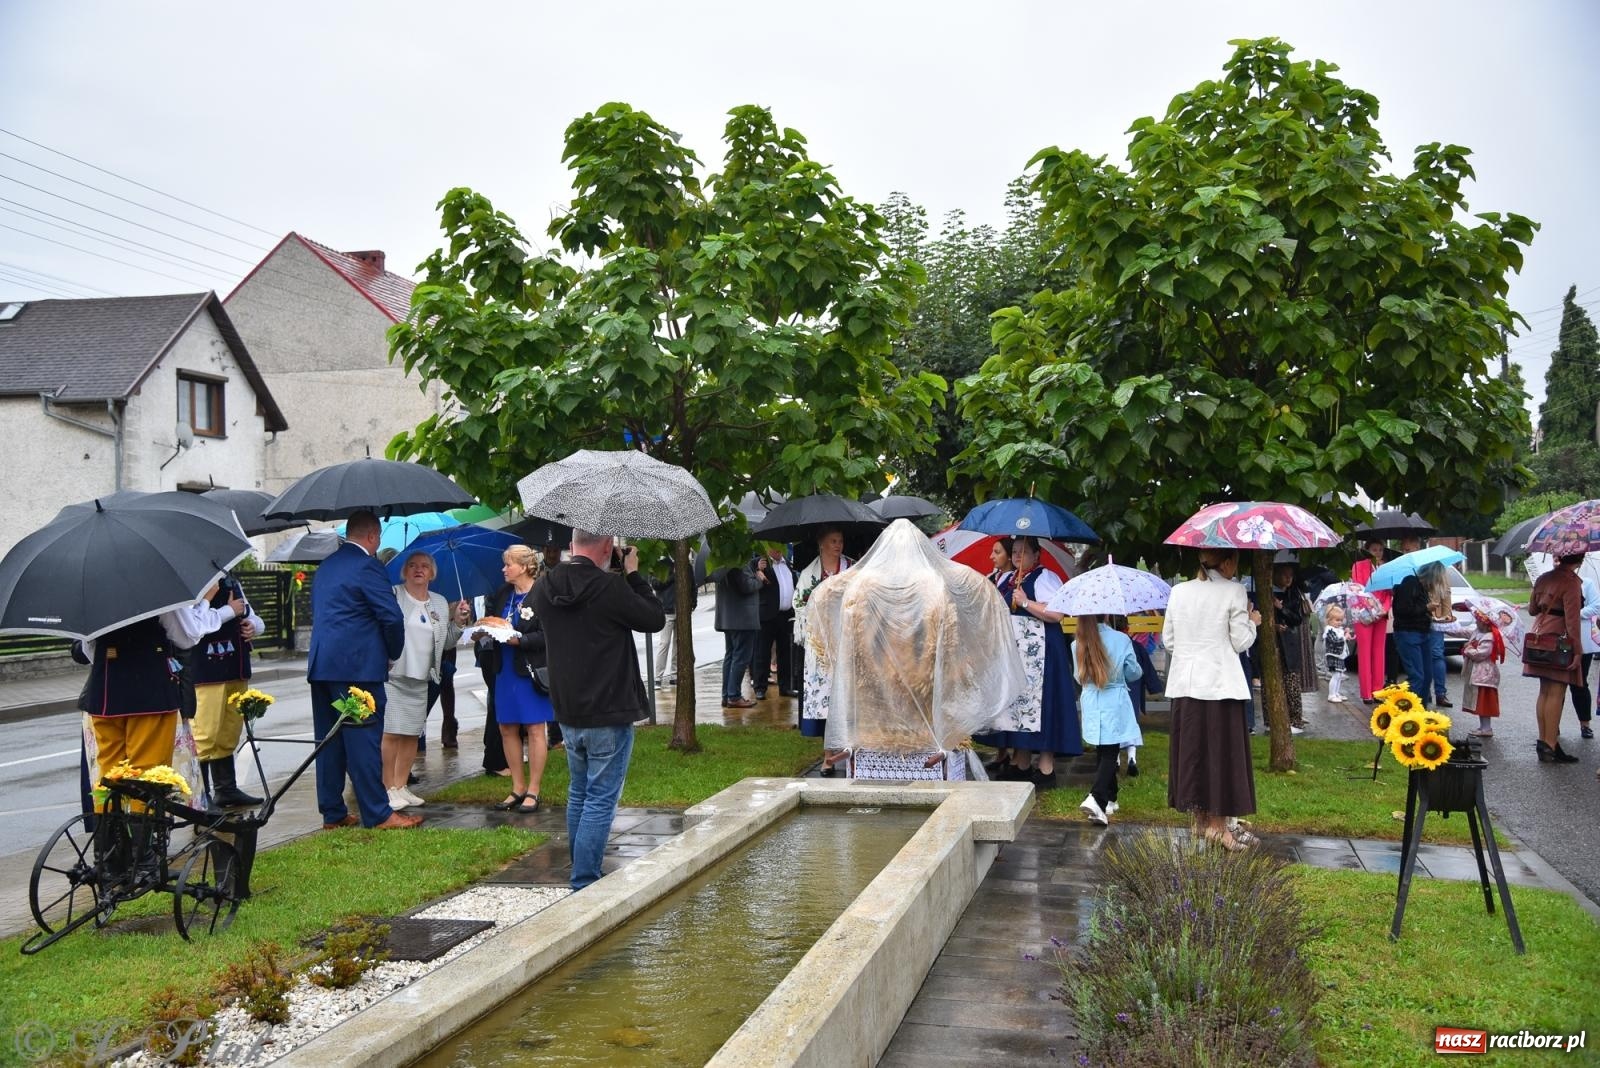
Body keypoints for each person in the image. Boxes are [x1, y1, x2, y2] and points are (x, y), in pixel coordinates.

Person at [531, 529, 666, 890]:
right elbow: (654, 618)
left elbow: (530, 619)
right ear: (608, 547)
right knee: (601, 799)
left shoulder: (546, 584)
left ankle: (582, 869)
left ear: (573, 545)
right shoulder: (610, 588)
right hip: (609, 707)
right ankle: (585, 880)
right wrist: (633, 573)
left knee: (580, 792)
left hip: (568, 707)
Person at [307, 510, 417, 830]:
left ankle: (333, 812)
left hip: (323, 666)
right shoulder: (369, 566)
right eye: (378, 538)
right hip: (357, 669)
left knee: (329, 740)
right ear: (372, 537)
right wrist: (392, 654)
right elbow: (391, 617)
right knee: (363, 739)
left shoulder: (326, 566)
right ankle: (379, 813)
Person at [1163, 547, 1262, 852]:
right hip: (1221, 686)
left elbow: (1169, 641)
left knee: (1193, 754)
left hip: (1186, 685)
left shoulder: (1178, 591)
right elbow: (1240, 641)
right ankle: (1219, 828)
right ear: (1229, 561)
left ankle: (1201, 822)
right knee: (1221, 755)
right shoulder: (1234, 591)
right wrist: (1252, 621)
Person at [384, 551, 468, 812]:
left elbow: (447, 642)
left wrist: (459, 622)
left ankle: (401, 785)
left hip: (423, 676)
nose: (418, 570)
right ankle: (387, 788)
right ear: (404, 571)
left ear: (432, 573)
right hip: (394, 674)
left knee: (411, 733)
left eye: (423, 566)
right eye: (412, 566)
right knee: (391, 733)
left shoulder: (440, 603)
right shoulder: (394, 595)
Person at [474, 545, 554, 813]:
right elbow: (494, 623)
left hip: (528, 669)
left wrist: (521, 640)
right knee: (506, 727)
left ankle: (534, 789)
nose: (503, 569)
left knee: (534, 729)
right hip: (504, 669)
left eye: (508, 564)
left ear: (524, 566)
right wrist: (480, 632)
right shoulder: (503, 594)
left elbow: (548, 636)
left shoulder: (542, 594)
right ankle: (517, 787)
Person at [189, 577, 266, 809]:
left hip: (236, 667)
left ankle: (226, 789)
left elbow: (250, 613)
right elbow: (193, 625)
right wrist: (229, 611)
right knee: (205, 734)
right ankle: (201, 797)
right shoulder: (193, 581)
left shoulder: (231, 580)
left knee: (229, 732)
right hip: (206, 669)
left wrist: (253, 625)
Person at [1074, 615, 1143, 826]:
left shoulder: (1077, 642)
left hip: (1091, 700)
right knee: (1111, 751)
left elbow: (1079, 677)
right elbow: (1134, 672)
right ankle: (1096, 798)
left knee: (1103, 749)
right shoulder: (1121, 640)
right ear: (1106, 615)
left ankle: (1110, 799)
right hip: (1114, 699)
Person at [793, 526, 853, 741]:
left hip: (845, 638)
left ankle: (847, 743)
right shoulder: (810, 573)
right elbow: (799, 603)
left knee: (846, 690)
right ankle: (828, 749)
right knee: (823, 691)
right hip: (819, 642)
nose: (838, 545)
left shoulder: (851, 567)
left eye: (840, 541)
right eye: (834, 541)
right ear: (822, 544)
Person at [1524, 553, 1585, 764]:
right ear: (1581, 558)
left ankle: (1544, 741)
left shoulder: (1543, 578)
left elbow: (1532, 609)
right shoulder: (1571, 582)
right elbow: (1572, 620)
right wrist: (1577, 650)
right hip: (1558, 640)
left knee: (1544, 691)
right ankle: (1550, 744)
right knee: (1556, 692)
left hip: (1539, 636)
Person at [712, 558, 762, 708]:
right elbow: (746, 585)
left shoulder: (722, 562)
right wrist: (758, 578)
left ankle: (727, 695)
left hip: (729, 619)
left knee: (730, 657)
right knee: (740, 658)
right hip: (742, 619)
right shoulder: (738, 560)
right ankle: (733, 696)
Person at [1451, 606, 1505, 737]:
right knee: (1478, 701)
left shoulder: (1490, 637)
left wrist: (1467, 649)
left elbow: (1480, 654)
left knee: (1483, 702)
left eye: (1478, 621)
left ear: (1485, 623)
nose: (1476, 622)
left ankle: (1486, 728)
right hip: (1478, 674)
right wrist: (1445, 628)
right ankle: (1483, 727)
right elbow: (1463, 632)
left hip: (1484, 675)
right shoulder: (1478, 632)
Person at [751, 547, 796, 699]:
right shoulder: (763, 563)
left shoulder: (788, 564)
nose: (778, 550)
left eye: (779, 547)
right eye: (774, 547)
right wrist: (757, 567)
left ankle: (786, 686)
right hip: (767, 615)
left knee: (785, 653)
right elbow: (751, 569)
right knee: (762, 652)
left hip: (786, 614)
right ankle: (760, 687)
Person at [1350, 539, 1391, 703]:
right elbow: (1357, 590)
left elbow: (1389, 593)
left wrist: (1384, 609)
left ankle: (1378, 690)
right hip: (1364, 614)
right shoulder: (1358, 566)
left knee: (1379, 652)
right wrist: (1371, 608)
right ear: (1367, 551)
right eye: (1374, 550)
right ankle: (1366, 692)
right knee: (1365, 653)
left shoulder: (1386, 568)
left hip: (1381, 614)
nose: (1378, 553)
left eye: (1380, 550)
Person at [1389, 568, 1436, 708]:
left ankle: (1420, 710)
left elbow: (1419, 609)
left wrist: (1431, 614)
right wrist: (1426, 608)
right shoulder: (1409, 583)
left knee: (1427, 675)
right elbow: (1403, 610)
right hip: (1408, 633)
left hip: (1423, 632)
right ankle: (1409, 712)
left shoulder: (1423, 586)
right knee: (1417, 676)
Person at [1422, 562, 1455, 708]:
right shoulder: (1417, 573)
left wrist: (1446, 615)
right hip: (1420, 620)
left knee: (1437, 654)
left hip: (1437, 621)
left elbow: (1446, 595)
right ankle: (1425, 692)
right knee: (1423, 656)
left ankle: (1440, 694)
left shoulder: (1441, 571)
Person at [1321, 604, 1352, 703]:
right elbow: (1336, 640)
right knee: (1335, 675)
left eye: (1341, 620)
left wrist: (1346, 633)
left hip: (1339, 655)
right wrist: (1344, 637)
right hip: (1333, 656)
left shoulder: (1338, 629)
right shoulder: (1329, 630)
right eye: (1337, 620)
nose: (1339, 623)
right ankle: (1331, 694)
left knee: (1339, 675)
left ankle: (1336, 692)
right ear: (1329, 620)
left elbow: (1341, 638)